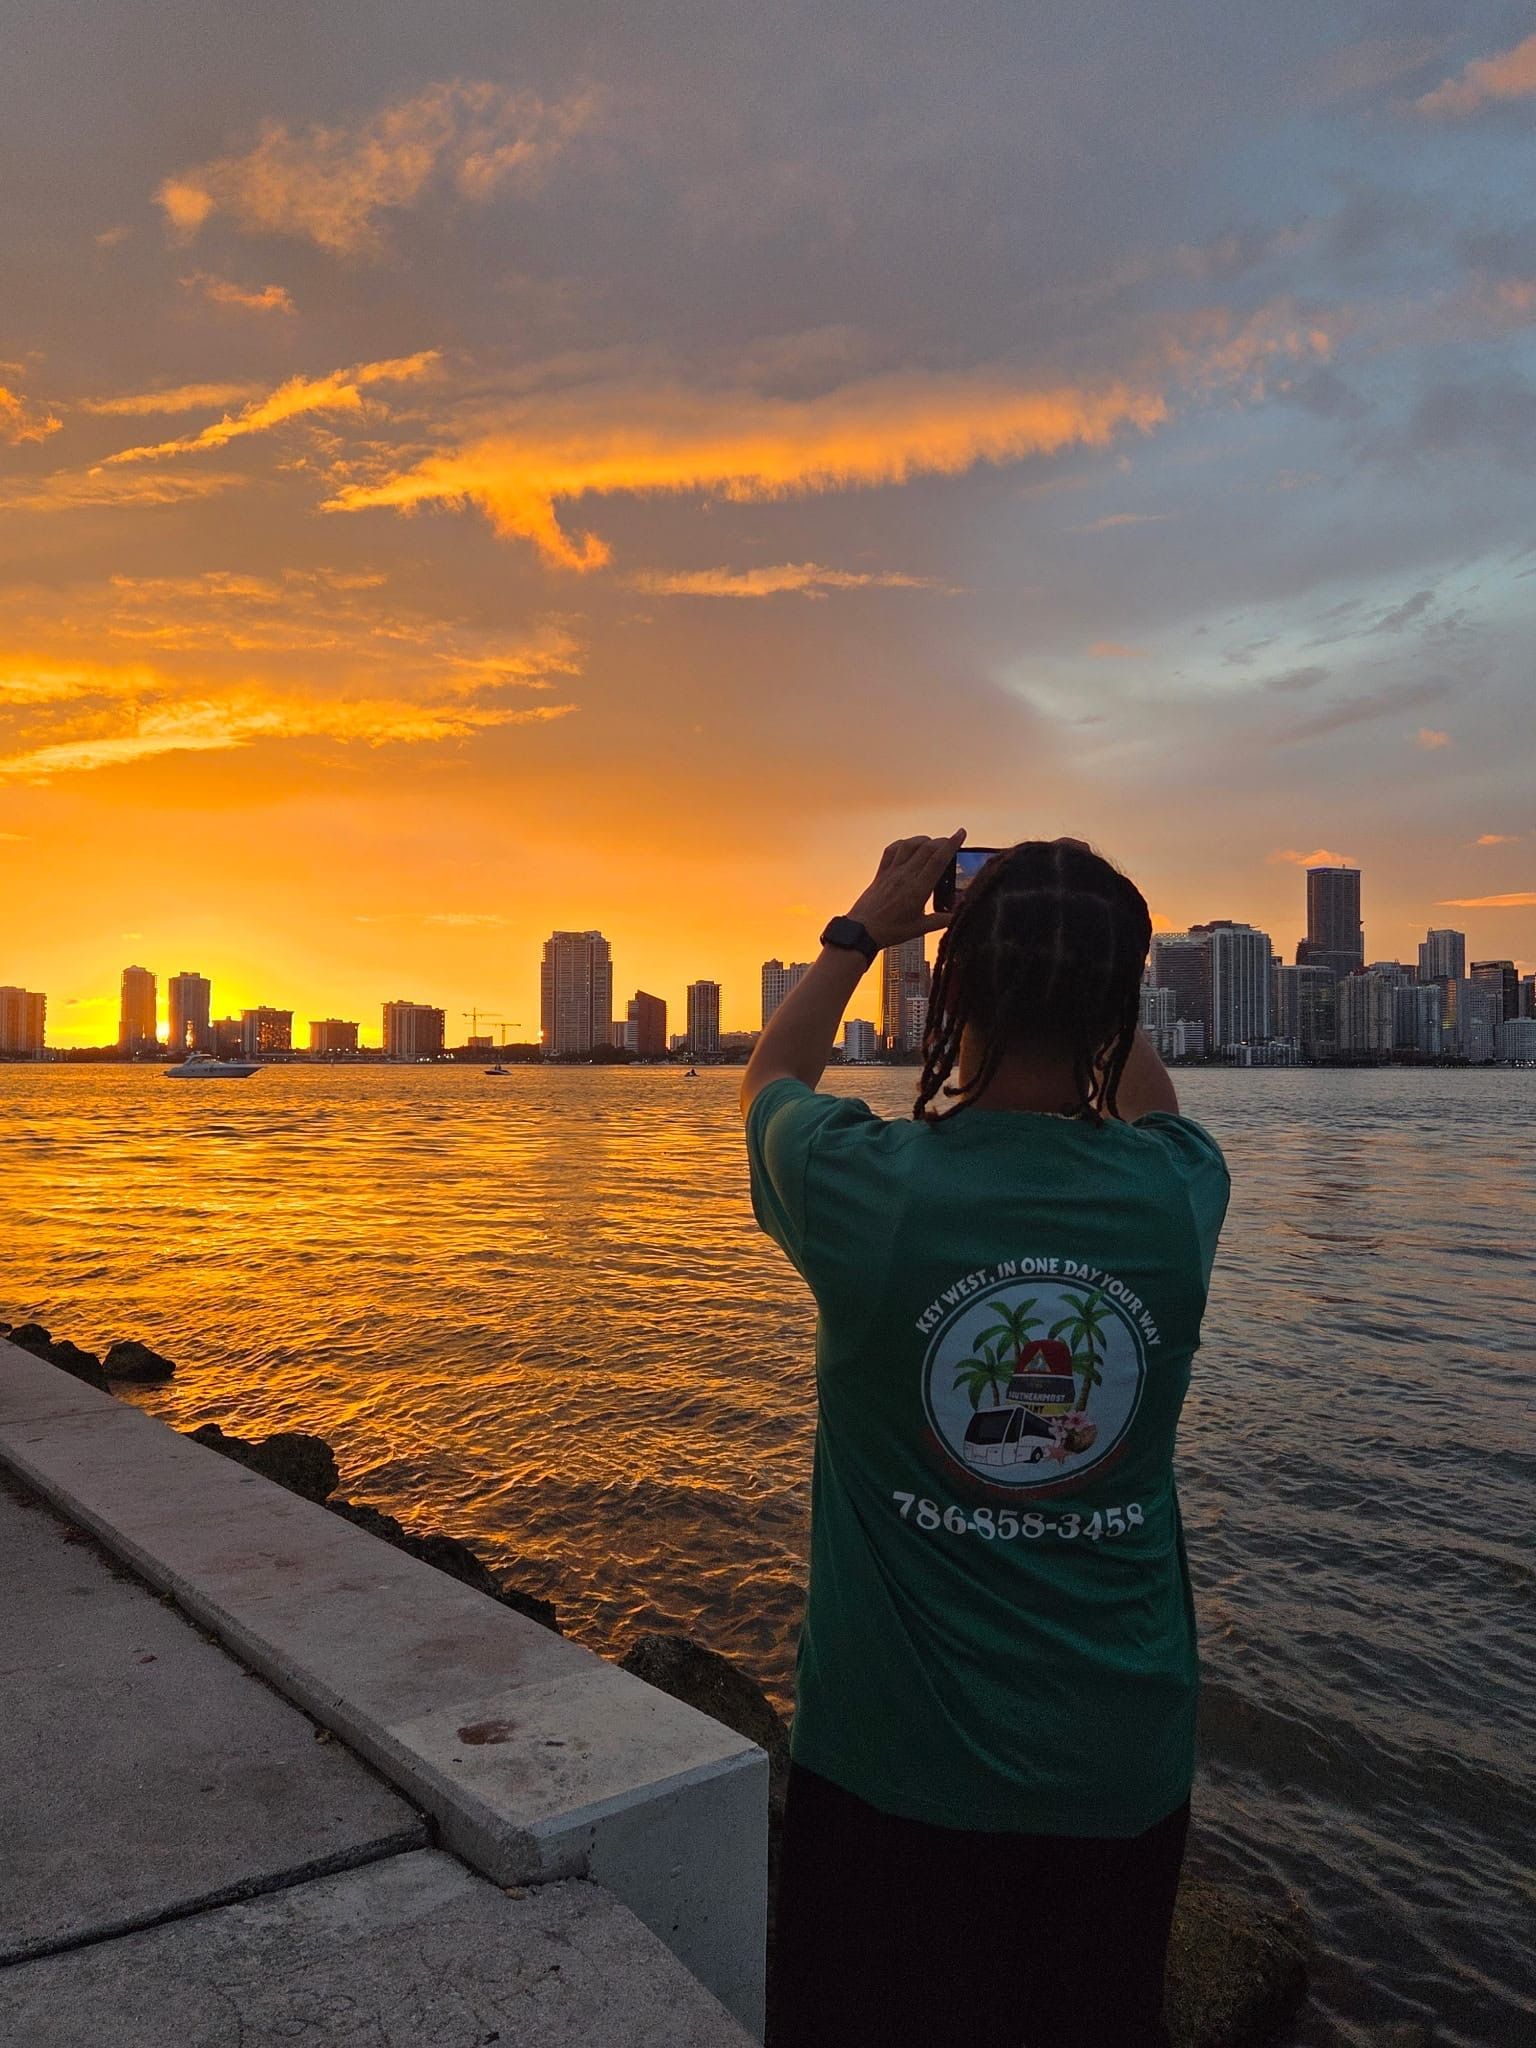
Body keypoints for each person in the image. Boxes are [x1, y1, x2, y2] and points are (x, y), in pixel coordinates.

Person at [741, 832, 1230, 2048]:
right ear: (1122, 1004)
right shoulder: (1179, 1192)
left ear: (951, 994)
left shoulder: (868, 1185)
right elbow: (1143, 1101)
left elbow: (767, 1083)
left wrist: (867, 924)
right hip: (1121, 1763)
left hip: (893, 1768)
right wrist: (1082, 962)